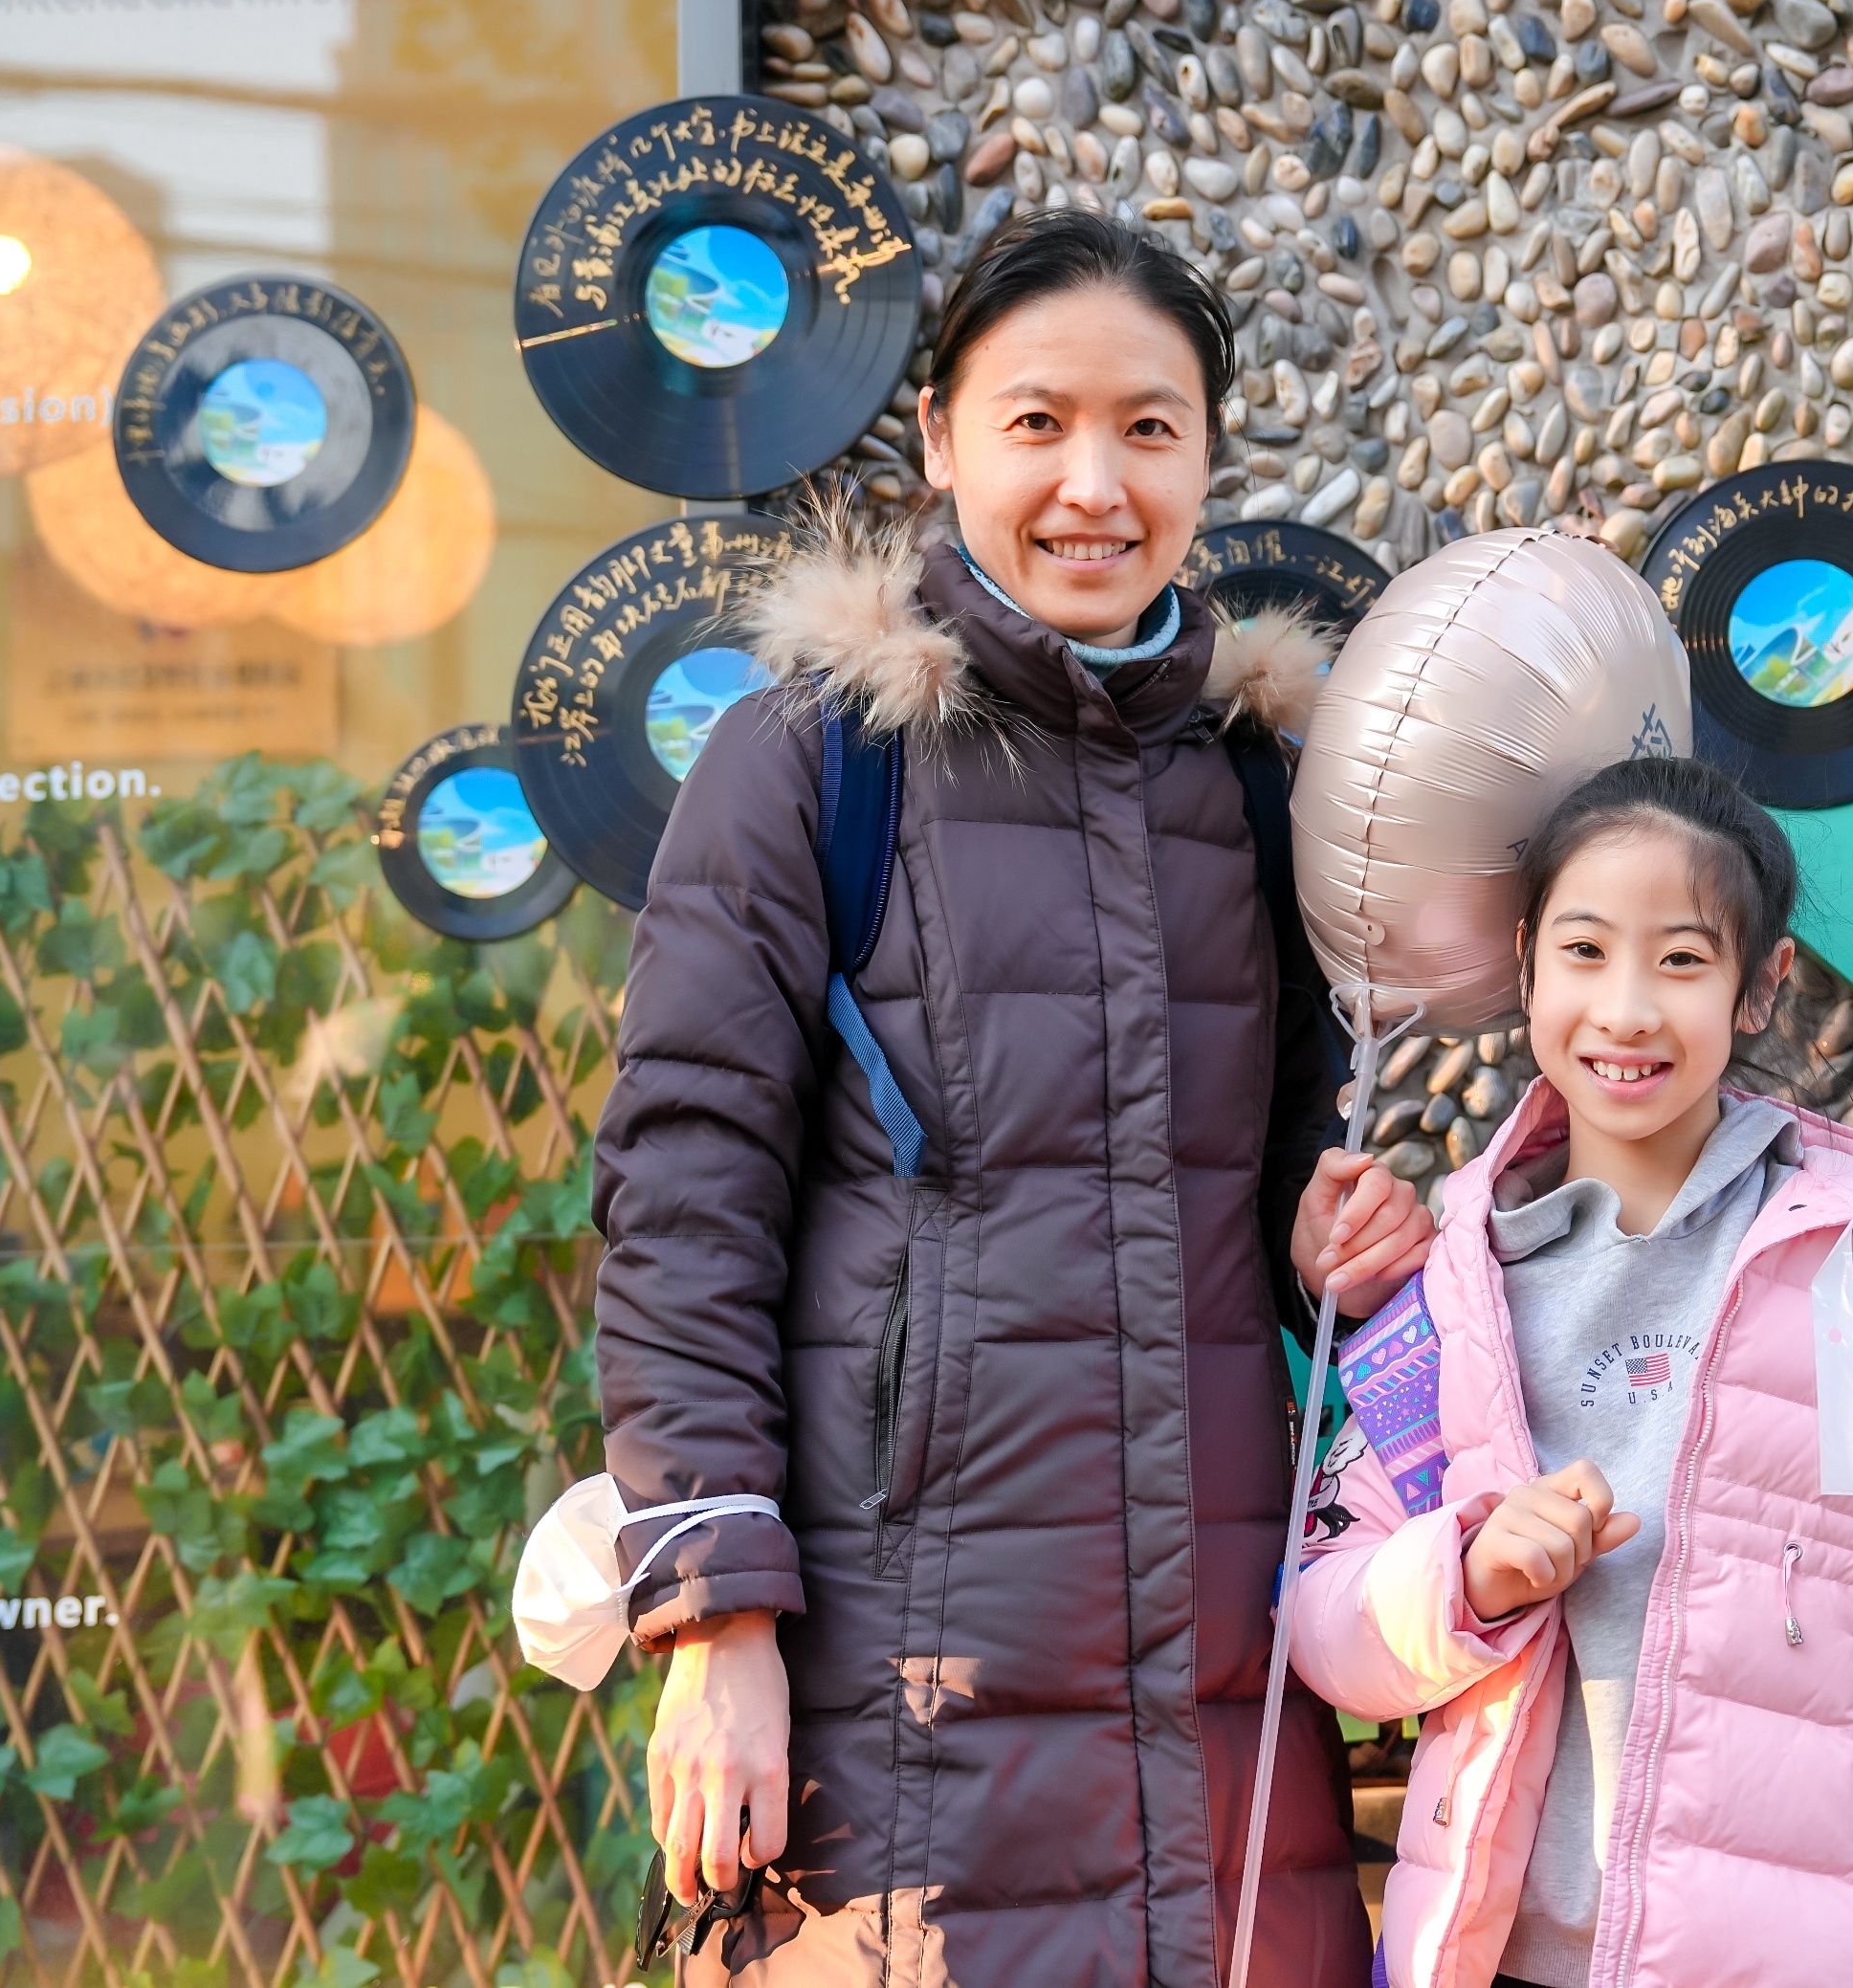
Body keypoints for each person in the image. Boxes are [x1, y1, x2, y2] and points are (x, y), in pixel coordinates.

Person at [590, 209, 1427, 1986]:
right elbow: (682, 1198)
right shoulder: (813, 762)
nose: (1093, 486)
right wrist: (715, 1626)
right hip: (901, 1692)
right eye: (1037, 422)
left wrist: (1334, 1239)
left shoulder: (1262, 788)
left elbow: (1278, 1178)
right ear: (942, 439)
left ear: (1207, 457)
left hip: (1219, 1699)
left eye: (1149, 428)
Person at [1286, 756, 1853, 1988]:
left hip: (1825, 1953)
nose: (1625, 1011)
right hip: (1509, 1956)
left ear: (1759, 987)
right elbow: (1327, 1622)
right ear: (1528, 966)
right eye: (1585, 951)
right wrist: (1470, 1577)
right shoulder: (1447, 1291)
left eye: (1681, 959)